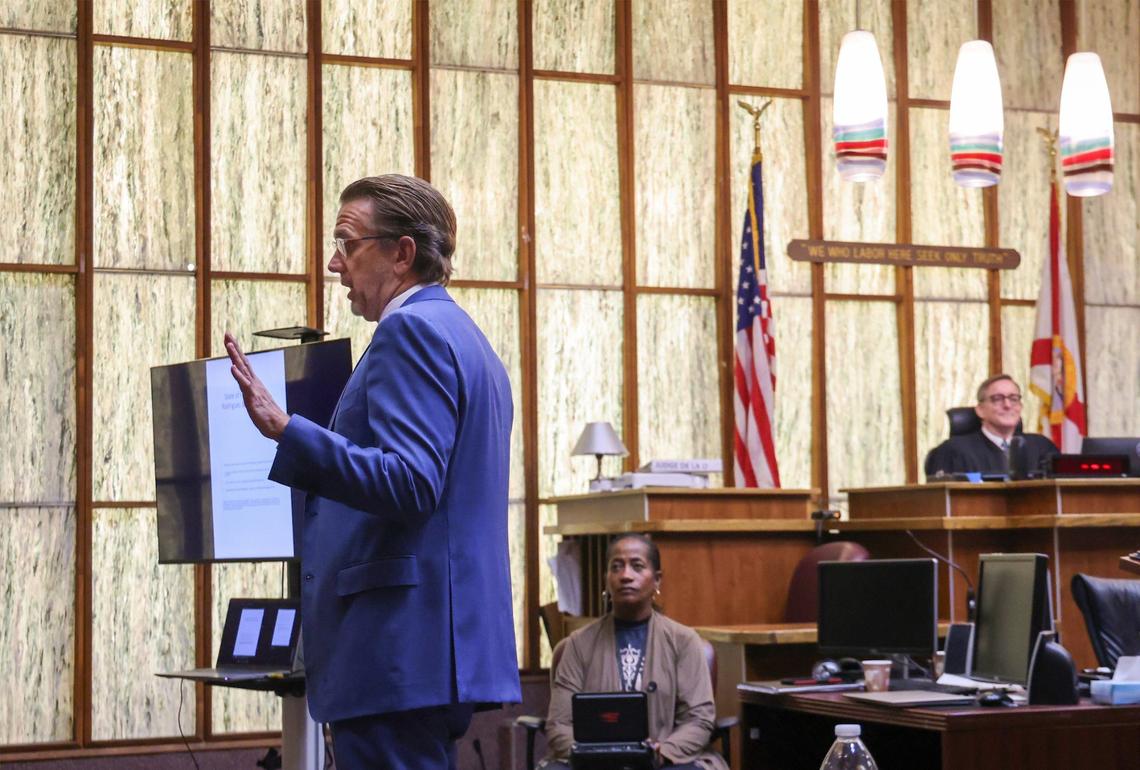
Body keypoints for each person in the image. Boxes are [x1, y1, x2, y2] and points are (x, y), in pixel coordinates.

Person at [223, 174, 520, 769]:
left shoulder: (408, 330)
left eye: (347, 243)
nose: (335, 264)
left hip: (397, 649)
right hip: (435, 648)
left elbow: (412, 484)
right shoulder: (468, 338)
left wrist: (289, 432)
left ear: (402, 252)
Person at [541, 534, 728, 770]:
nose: (626, 575)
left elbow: (699, 719)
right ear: (607, 579)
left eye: (637, 566)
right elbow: (559, 723)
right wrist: (592, 755)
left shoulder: (684, 642)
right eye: (616, 567)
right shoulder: (578, 645)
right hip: (591, 763)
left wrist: (663, 752)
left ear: (657, 580)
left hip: (666, 761)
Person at [925, 374, 1058, 478]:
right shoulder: (953, 451)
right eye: (997, 399)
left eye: (1013, 399)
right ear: (980, 410)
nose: (1007, 405)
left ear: (1020, 407)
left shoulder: (1042, 447)